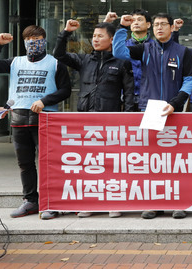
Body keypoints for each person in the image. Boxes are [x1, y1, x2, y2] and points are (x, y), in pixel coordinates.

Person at [112, 12, 192, 219]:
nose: (159, 28)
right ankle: (154, 204)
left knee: (178, 160)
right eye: (156, 25)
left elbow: (189, 79)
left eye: (163, 24)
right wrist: (122, 27)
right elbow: (119, 51)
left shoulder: (183, 52)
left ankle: (179, 203)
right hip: (150, 108)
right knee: (153, 159)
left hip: (174, 109)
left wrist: (176, 103)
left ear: (170, 27)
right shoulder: (144, 49)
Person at [53, 20, 135, 218]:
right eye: (94, 36)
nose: (96, 39)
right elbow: (59, 54)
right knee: (90, 164)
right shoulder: (84, 60)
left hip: (111, 120)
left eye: (100, 36)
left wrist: (128, 118)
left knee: (112, 164)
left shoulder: (121, 62)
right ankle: (89, 203)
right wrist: (65, 33)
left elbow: (130, 92)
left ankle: (113, 203)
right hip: (86, 120)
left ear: (111, 39)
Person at [0, 27, 71, 220]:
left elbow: (65, 90)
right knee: (25, 164)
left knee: (49, 163)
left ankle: (51, 203)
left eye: (37, 38)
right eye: (28, 38)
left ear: (44, 40)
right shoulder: (15, 62)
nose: (32, 41)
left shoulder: (55, 64)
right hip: (19, 121)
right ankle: (30, 201)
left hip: (45, 119)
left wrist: (45, 101)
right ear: (24, 42)